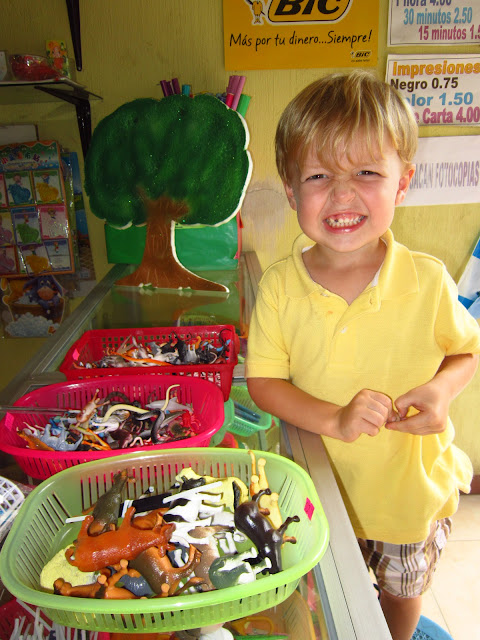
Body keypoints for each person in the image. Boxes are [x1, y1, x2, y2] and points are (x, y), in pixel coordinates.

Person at [245, 70, 480, 640]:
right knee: (326, 592)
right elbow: (264, 383)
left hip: (406, 492)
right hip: (317, 488)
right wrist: (335, 419)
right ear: (292, 190)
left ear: (403, 183)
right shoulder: (279, 286)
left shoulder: (427, 280)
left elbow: (466, 353)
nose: (343, 194)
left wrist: (441, 392)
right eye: (319, 175)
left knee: (402, 591)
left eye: (367, 173)